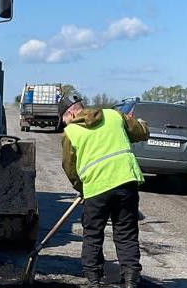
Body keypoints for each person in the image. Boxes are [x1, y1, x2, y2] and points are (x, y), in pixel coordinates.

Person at [60, 96, 149, 288]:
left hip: (97, 188)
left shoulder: (71, 132)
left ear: (71, 113)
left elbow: (70, 167)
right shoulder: (114, 116)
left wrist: (81, 188)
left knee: (92, 233)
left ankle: (94, 281)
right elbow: (141, 132)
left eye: (64, 119)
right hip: (126, 181)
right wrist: (139, 124)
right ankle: (131, 280)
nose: (64, 124)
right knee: (126, 233)